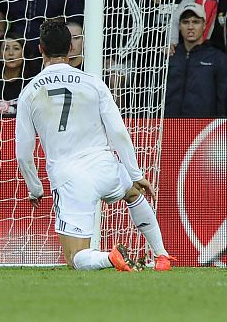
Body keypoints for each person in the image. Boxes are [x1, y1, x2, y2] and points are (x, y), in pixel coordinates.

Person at [15, 19, 173, 272]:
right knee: (133, 193)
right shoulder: (93, 83)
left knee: (75, 258)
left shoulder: (30, 91)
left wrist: (35, 189)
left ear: (40, 49)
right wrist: (135, 174)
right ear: (70, 48)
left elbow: (24, 153)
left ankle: (110, 258)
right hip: (106, 167)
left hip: (71, 179)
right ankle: (162, 255)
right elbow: (118, 131)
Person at [164, 4, 227, 117]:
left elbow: (223, 101)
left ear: (204, 25)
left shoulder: (218, 59)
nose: (190, 27)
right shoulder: (169, 56)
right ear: (179, 26)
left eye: (196, 22)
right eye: (185, 22)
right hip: (169, 125)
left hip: (204, 126)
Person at [0, 36, 35, 118]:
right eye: (6, 49)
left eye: (16, 48)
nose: (11, 53)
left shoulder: (33, 79)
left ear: (24, 54)